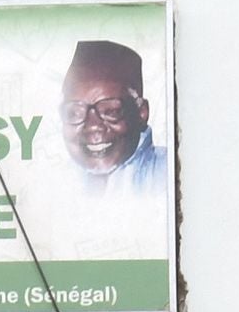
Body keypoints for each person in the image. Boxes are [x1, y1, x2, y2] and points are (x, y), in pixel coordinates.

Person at [58, 38, 166, 196]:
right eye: (75, 112)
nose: (93, 126)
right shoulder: (51, 183)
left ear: (142, 113)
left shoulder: (169, 174)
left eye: (110, 111)